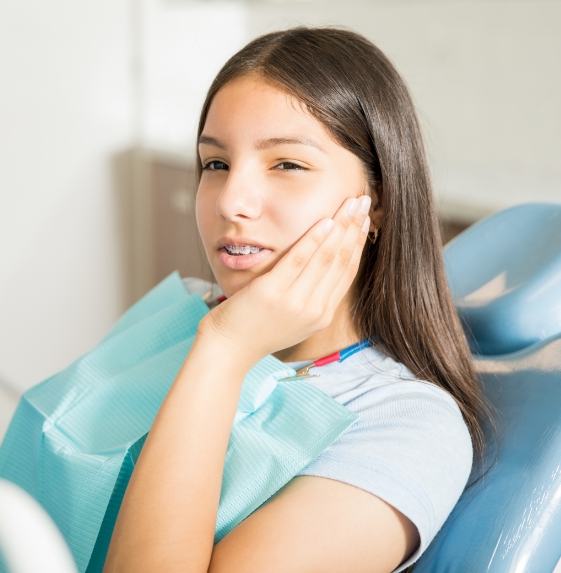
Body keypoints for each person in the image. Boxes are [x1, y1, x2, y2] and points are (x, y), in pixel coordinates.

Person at [103, 27, 488, 573]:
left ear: (375, 203)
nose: (232, 201)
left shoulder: (409, 425)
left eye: (286, 164)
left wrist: (224, 351)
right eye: (216, 164)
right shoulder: (181, 310)